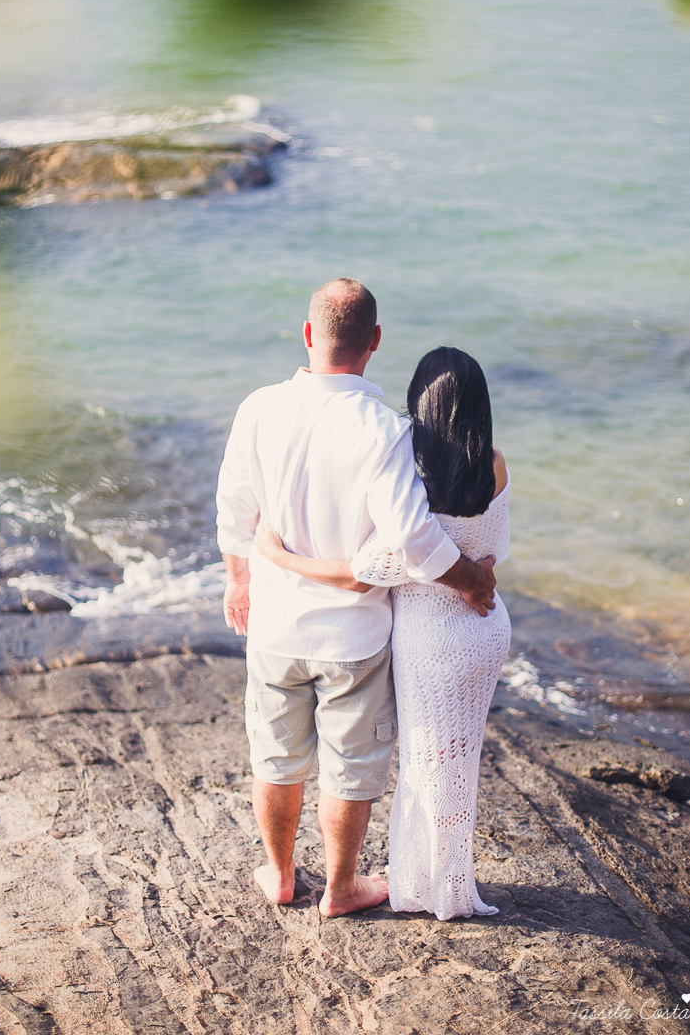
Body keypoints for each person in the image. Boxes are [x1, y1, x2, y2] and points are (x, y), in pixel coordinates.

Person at [216, 279, 497, 917]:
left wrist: (239, 580)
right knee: (351, 766)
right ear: (374, 344)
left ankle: (282, 875)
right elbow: (414, 536)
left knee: (276, 755)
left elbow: (234, 509)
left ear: (309, 334)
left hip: (275, 626)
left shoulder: (257, 407)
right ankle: (342, 889)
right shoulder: (386, 429)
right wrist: (470, 580)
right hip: (354, 637)